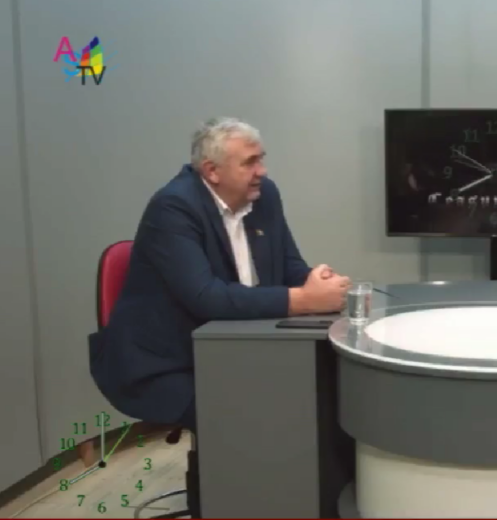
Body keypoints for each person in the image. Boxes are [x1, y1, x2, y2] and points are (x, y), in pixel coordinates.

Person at [88, 117, 351, 433]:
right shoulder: (173, 207)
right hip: (167, 362)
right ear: (212, 171)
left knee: (324, 392)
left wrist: (317, 282)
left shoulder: (264, 194)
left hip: (237, 344)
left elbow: (289, 266)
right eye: (250, 163)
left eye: (261, 159)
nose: (262, 171)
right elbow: (207, 297)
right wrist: (304, 300)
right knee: (257, 415)